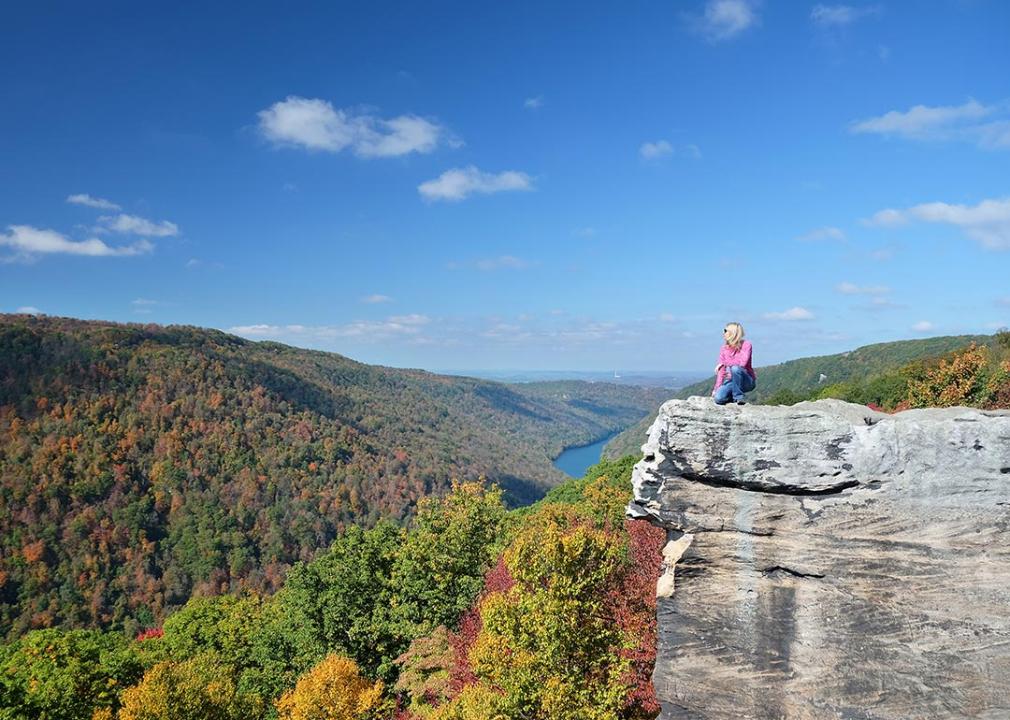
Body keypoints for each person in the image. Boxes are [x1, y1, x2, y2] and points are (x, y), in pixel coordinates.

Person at [712, 322, 756, 405]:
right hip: (732, 381)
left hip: (746, 381)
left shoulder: (746, 345)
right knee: (718, 398)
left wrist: (724, 363)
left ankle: (738, 398)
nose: (723, 333)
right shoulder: (724, 348)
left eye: (725, 331)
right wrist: (716, 388)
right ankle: (732, 397)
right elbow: (721, 371)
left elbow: (742, 363)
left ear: (733, 332)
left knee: (735, 368)